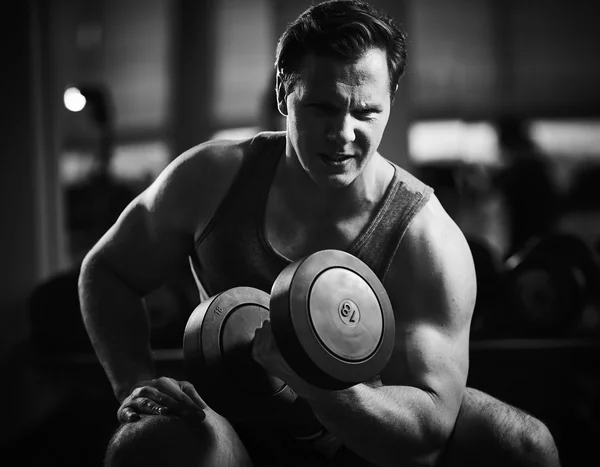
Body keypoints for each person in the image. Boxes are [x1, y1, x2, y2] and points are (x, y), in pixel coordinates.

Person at [79, 1, 560, 466]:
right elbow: (107, 271)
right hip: (235, 430)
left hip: (371, 435)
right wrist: (133, 384)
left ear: (391, 101)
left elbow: (426, 434)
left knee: (524, 445)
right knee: (143, 442)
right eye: (322, 108)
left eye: (366, 112)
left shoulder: (427, 237)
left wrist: (316, 381)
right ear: (282, 96)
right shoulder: (211, 179)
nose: (343, 132)